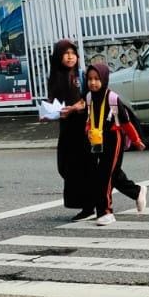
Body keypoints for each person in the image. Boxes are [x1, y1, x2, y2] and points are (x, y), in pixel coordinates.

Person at [79, 63, 146, 225]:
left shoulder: (112, 98)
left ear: (104, 79)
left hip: (113, 139)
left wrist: (136, 140)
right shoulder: (89, 97)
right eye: (90, 79)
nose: (93, 82)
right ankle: (137, 191)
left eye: (97, 79)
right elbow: (89, 118)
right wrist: (88, 130)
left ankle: (106, 212)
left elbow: (126, 123)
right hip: (97, 140)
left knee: (104, 176)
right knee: (112, 174)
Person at [46, 39, 92, 221]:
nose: (70, 57)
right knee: (65, 166)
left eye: (73, 53)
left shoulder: (81, 75)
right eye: (66, 53)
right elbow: (53, 101)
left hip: (83, 127)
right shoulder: (55, 77)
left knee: (82, 167)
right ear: (58, 56)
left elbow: (89, 98)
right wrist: (47, 113)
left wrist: (74, 108)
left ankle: (88, 206)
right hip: (66, 128)